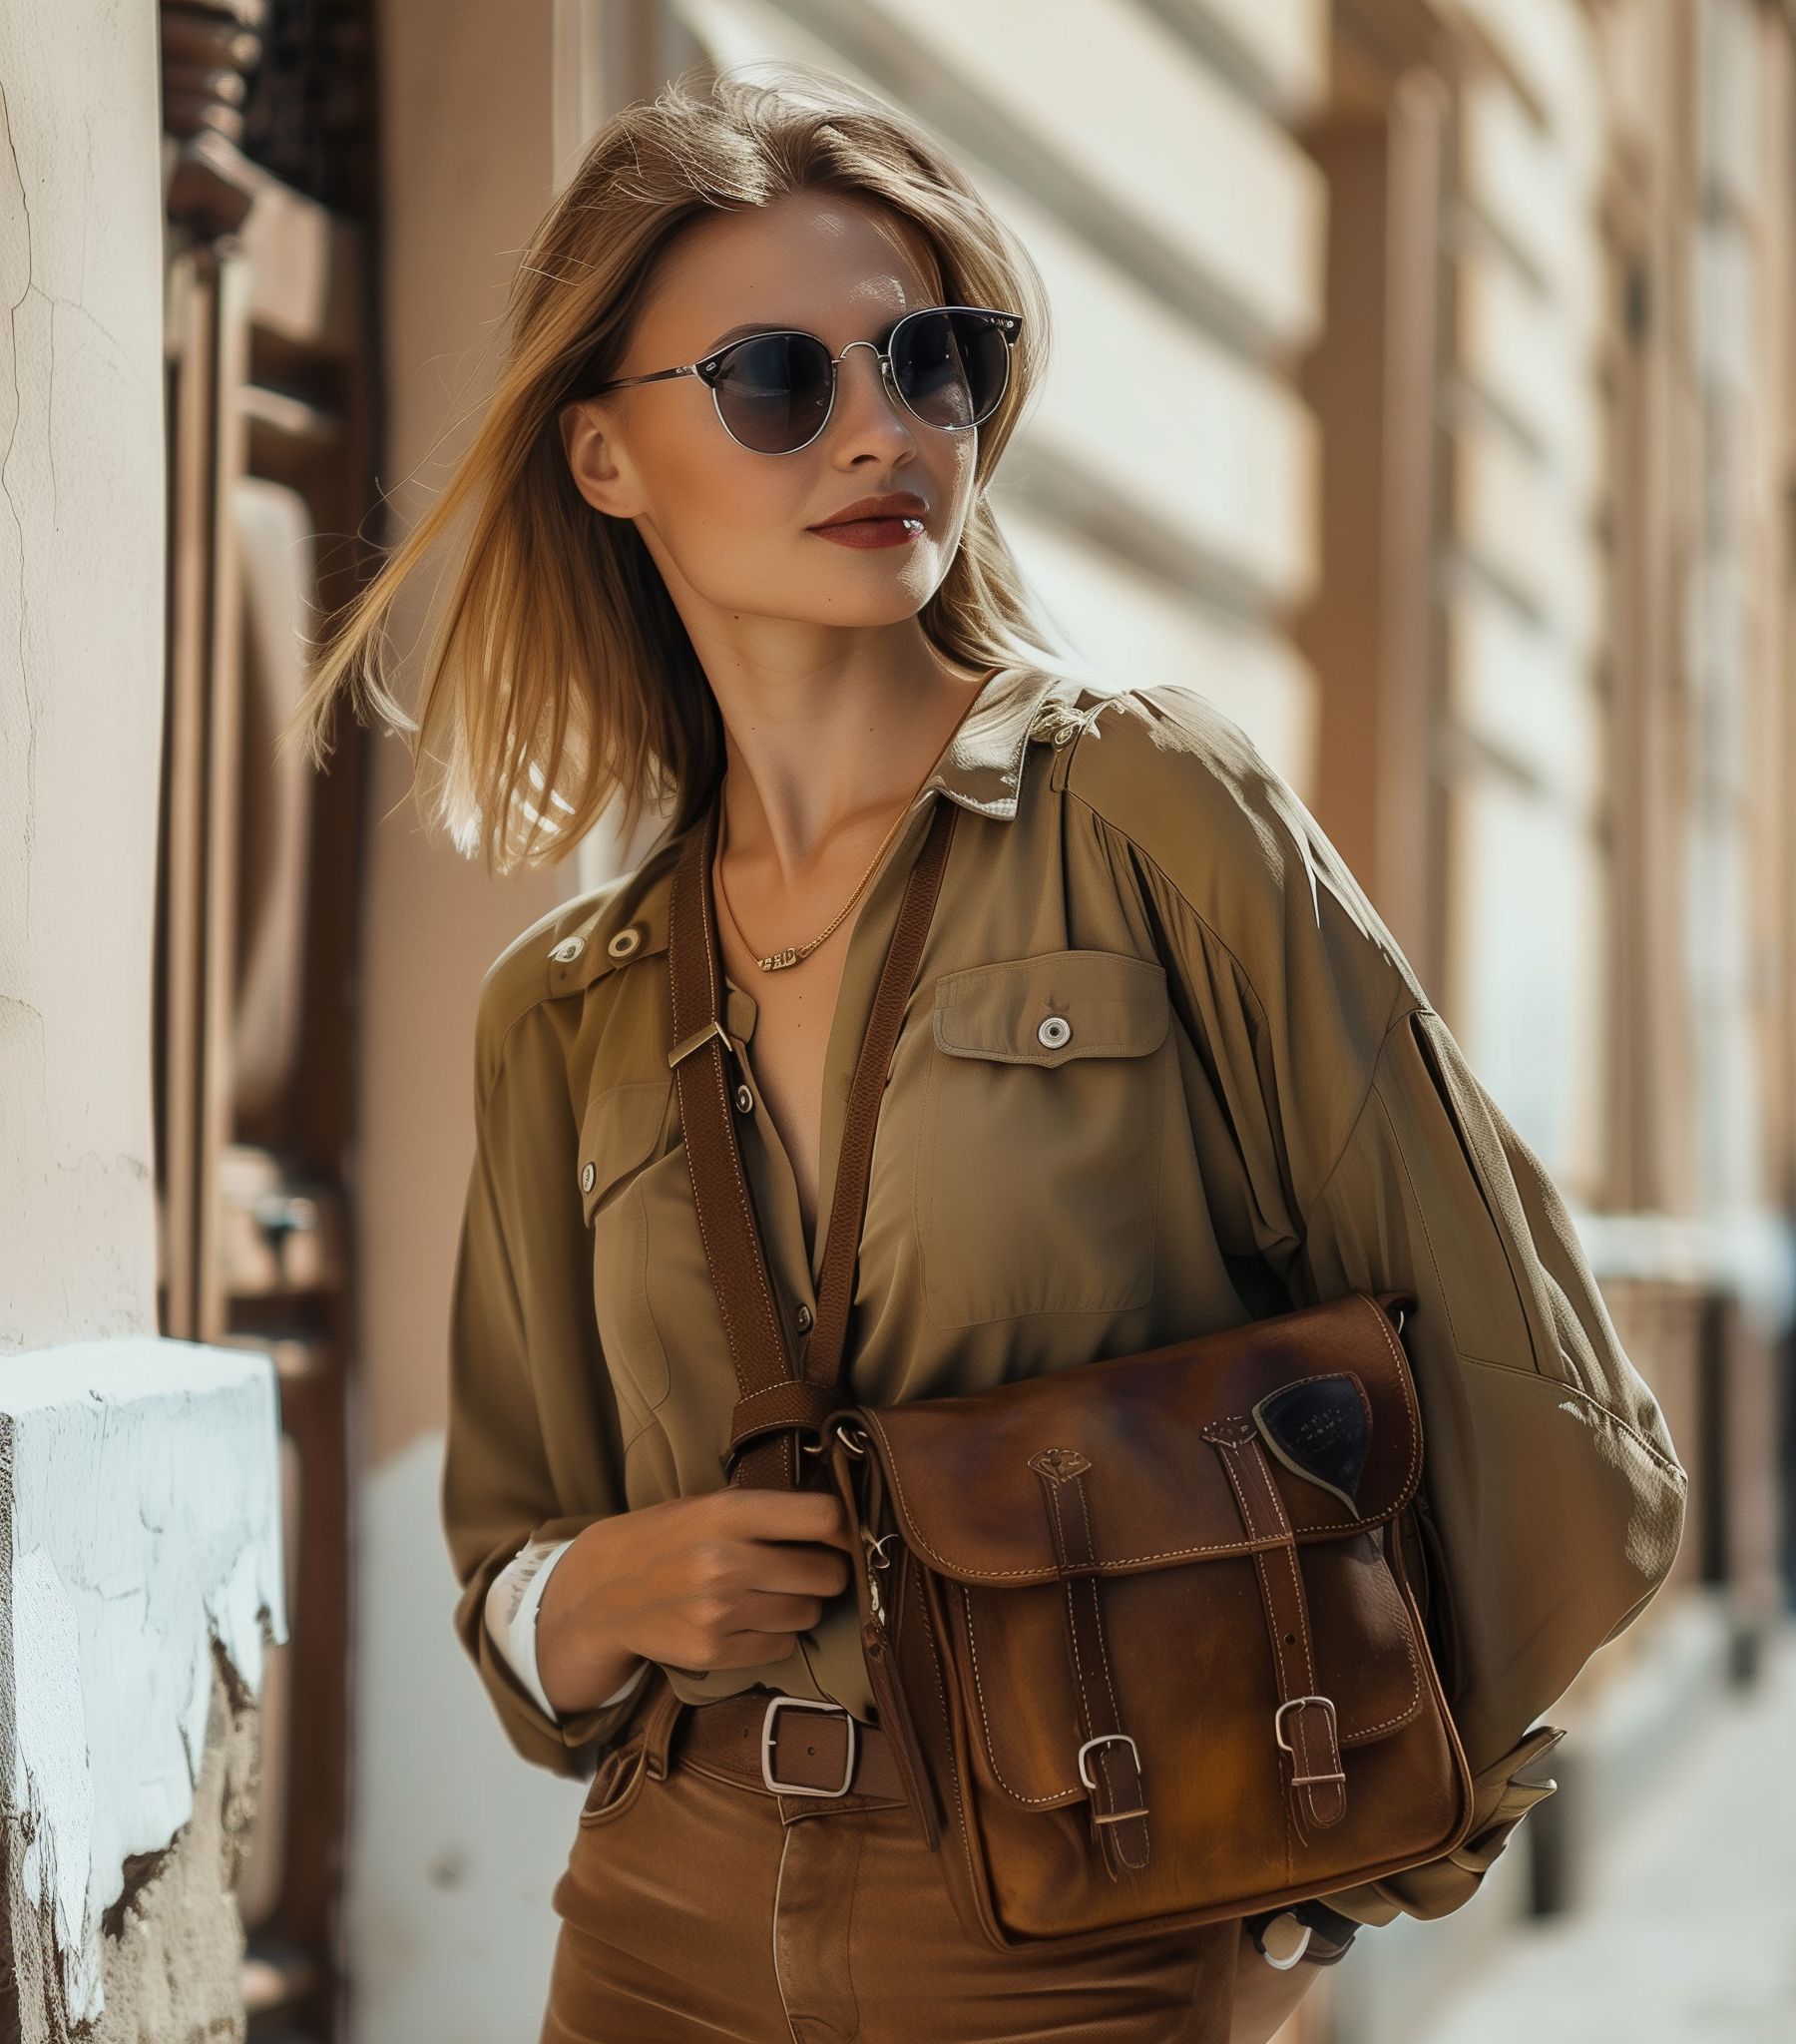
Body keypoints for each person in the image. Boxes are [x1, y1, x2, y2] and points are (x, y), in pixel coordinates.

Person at [305, 68, 1681, 2044]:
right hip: (658, 1923)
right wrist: (589, 1598)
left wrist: (1308, 1900)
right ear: (605, 457)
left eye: (934, 364)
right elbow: (514, 1544)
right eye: (782, 379)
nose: (884, 429)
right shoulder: (569, 1001)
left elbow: (1532, 1405)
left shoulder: (1150, 812)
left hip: (1088, 1918)